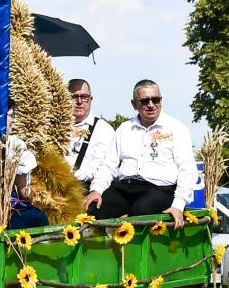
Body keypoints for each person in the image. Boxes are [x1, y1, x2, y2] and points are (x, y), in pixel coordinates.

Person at [84, 79, 196, 226]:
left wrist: (178, 205)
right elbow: (108, 166)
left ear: (161, 101)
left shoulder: (176, 129)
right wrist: (96, 190)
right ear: (134, 104)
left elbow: (187, 170)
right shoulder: (124, 129)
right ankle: (98, 248)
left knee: (141, 212)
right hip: (125, 187)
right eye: (144, 101)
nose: (151, 105)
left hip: (159, 189)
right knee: (94, 210)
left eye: (155, 99)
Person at [66, 78, 115, 191]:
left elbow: (105, 167)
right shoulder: (53, 127)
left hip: (86, 187)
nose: (79, 101)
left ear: (90, 99)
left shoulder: (103, 129)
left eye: (84, 97)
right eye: (74, 97)